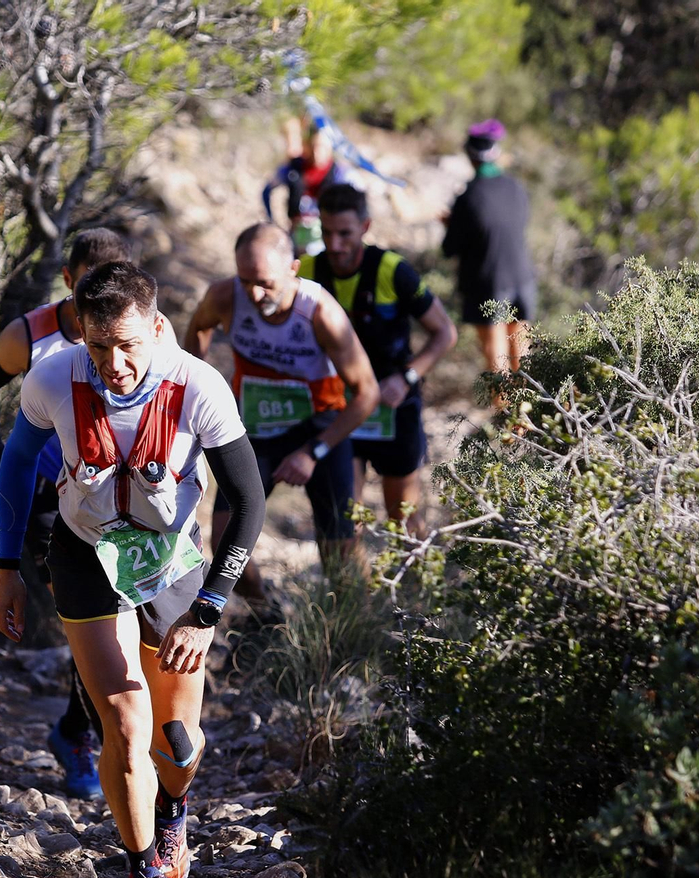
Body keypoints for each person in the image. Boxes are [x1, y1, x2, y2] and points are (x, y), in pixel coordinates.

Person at [0, 262, 266, 878]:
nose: (114, 362)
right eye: (98, 346)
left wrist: (208, 609)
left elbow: (248, 499)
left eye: (129, 345)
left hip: (172, 562)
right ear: (80, 335)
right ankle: (144, 875)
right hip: (86, 556)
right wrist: (7, 567)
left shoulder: (197, 385)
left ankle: (173, 817)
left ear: (158, 328)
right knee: (124, 720)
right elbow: (20, 463)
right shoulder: (54, 377)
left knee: (177, 740)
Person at [0, 228, 137, 799]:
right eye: (91, 282)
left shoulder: (133, 334)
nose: (101, 295)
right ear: (69, 279)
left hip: (113, 496)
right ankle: (86, 737)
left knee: (103, 622)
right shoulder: (33, 333)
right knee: (87, 619)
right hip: (45, 495)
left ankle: (76, 729)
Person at [184, 223, 379, 606]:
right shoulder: (225, 296)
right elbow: (198, 328)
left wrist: (312, 452)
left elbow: (367, 393)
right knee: (224, 540)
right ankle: (264, 611)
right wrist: (196, 384)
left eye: (265, 283)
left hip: (319, 430)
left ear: (294, 267)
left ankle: (355, 625)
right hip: (254, 431)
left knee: (340, 547)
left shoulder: (321, 312)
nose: (254, 294)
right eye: (245, 280)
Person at [305, 183, 458, 533]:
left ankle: (414, 584)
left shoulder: (392, 270)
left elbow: (445, 333)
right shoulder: (308, 271)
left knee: (402, 517)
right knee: (346, 517)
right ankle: (353, 588)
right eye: (326, 233)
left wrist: (406, 379)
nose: (335, 244)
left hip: (394, 406)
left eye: (345, 233)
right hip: (341, 408)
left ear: (365, 227)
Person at [440, 119, 535, 411]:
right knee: (523, 352)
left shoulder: (467, 197)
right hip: (523, 277)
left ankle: (506, 418)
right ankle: (531, 413)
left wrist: (450, 223)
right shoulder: (515, 188)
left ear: (469, 155)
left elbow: (450, 249)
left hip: (488, 282)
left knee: (497, 355)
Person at [262, 117, 353, 257]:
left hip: (324, 238)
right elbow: (267, 191)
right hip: (296, 236)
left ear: (330, 148)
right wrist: (273, 221)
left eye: (322, 147)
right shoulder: (294, 168)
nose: (317, 152)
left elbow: (357, 198)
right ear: (307, 145)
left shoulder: (339, 173)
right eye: (314, 146)